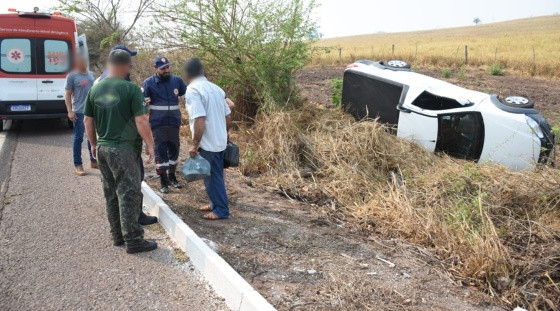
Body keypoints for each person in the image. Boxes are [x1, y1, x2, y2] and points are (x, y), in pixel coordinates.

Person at [84, 49, 157, 253]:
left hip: (103, 148)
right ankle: (133, 240)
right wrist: (150, 145)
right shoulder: (131, 89)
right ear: (126, 66)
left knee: (111, 193)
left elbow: (87, 120)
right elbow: (141, 120)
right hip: (123, 150)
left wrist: (93, 144)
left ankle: (117, 236)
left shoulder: (95, 89)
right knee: (129, 193)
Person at [184, 58, 231, 220]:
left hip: (207, 141)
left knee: (212, 177)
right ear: (202, 71)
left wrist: (194, 145)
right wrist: (224, 133)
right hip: (220, 140)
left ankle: (221, 210)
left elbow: (200, 119)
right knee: (214, 174)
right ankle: (215, 204)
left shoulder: (193, 90)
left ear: (187, 74)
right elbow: (228, 115)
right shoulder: (216, 88)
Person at [142, 56, 187, 194]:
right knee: (161, 152)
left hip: (174, 123)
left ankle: (172, 177)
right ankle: (163, 181)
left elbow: (187, 98)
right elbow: (144, 106)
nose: (166, 70)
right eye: (163, 68)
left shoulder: (177, 81)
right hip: (158, 124)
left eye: (168, 67)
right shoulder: (148, 83)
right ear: (155, 69)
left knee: (174, 150)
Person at [65, 54, 96, 176]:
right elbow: (67, 94)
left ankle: (93, 161)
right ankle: (78, 165)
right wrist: (70, 111)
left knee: (92, 137)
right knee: (78, 138)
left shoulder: (91, 75)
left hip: (92, 111)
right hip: (79, 111)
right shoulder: (72, 76)